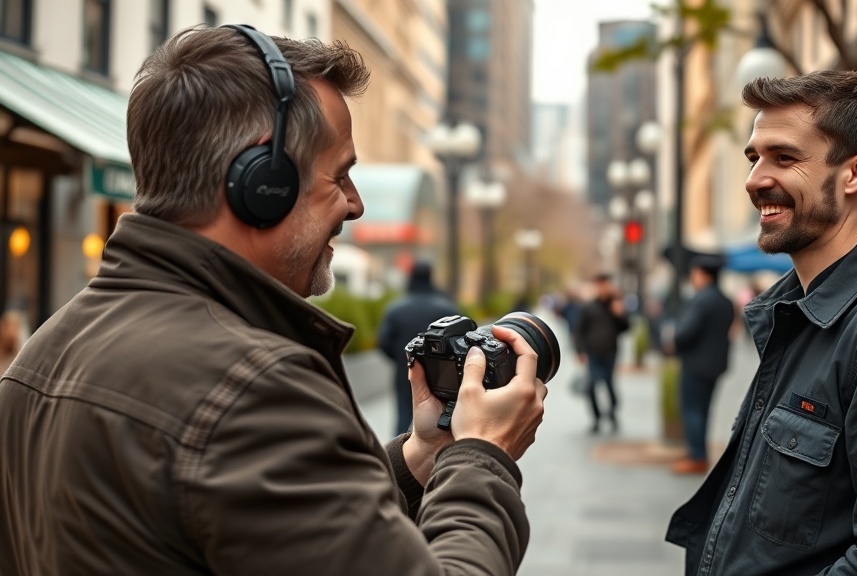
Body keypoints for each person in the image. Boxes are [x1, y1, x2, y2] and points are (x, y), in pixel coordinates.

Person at [0, 25, 547, 575]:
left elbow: (265, 524)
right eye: (340, 175)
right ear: (264, 183)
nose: (355, 206)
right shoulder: (254, 387)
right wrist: (482, 456)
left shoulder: (42, 353)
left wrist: (419, 461)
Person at [666, 70, 857, 575]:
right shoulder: (798, 313)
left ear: (856, 173)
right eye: (754, 157)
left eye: (784, 158)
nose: (755, 178)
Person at [377, 260, 459, 436]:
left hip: (405, 371)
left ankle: (402, 455)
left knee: (404, 413)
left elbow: (383, 341)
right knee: (441, 416)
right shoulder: (446, 308)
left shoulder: (396, 308)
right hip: (441, 374)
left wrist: (405, 358)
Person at [670, 254, 735, 475]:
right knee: (704, 410)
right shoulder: (725, 301)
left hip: (695, 364)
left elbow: (685, 333)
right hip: (715, 365)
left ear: (702, 275)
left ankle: (697, 456)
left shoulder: (701, 300)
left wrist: (673, 339)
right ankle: (699, 452)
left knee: (692, 410)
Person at [574, 272, 630, 433]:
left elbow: (626, 328)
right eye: (600, 285)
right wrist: (580, 351)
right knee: (591, 387)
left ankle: (612, 413)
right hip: (593, 354)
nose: (603, 288)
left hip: (611, 353)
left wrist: (619, 315)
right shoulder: (589, 307)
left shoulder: (616, 305)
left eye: (606, 284)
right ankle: (597, 418)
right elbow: (579, 331)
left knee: (609, 384)